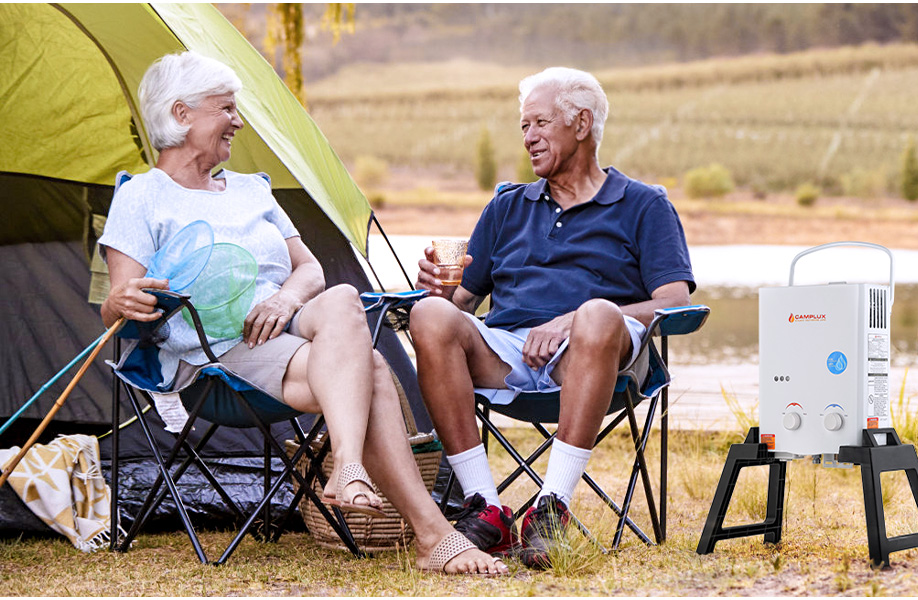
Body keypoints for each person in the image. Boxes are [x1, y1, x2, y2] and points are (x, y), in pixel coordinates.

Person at [97, 52, 503, 576]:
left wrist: (284, 299)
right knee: (374, 371)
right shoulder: (142, 199)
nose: (238, 121)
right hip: (217, 359)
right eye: (226, 109)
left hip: (288, 326)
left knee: (341, 298)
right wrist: (118, 303)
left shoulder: (251, 189)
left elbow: (310, 269)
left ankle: (352, 468)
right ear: (181, 115)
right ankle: (433, 536)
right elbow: (121, 303)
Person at [409, 67, 695, 570]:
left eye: (540, 123)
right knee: (429, 314)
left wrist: (571, 321)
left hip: (596, 357)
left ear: (581, 124)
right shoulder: (506, 206)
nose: (528, 138)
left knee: (598, 315)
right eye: (523, 127)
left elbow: (673, 300)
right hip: (509, 355)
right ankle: (486, 507)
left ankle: (551, 509)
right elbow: (460, 311)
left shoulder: (644, 204)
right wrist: (439, 288)